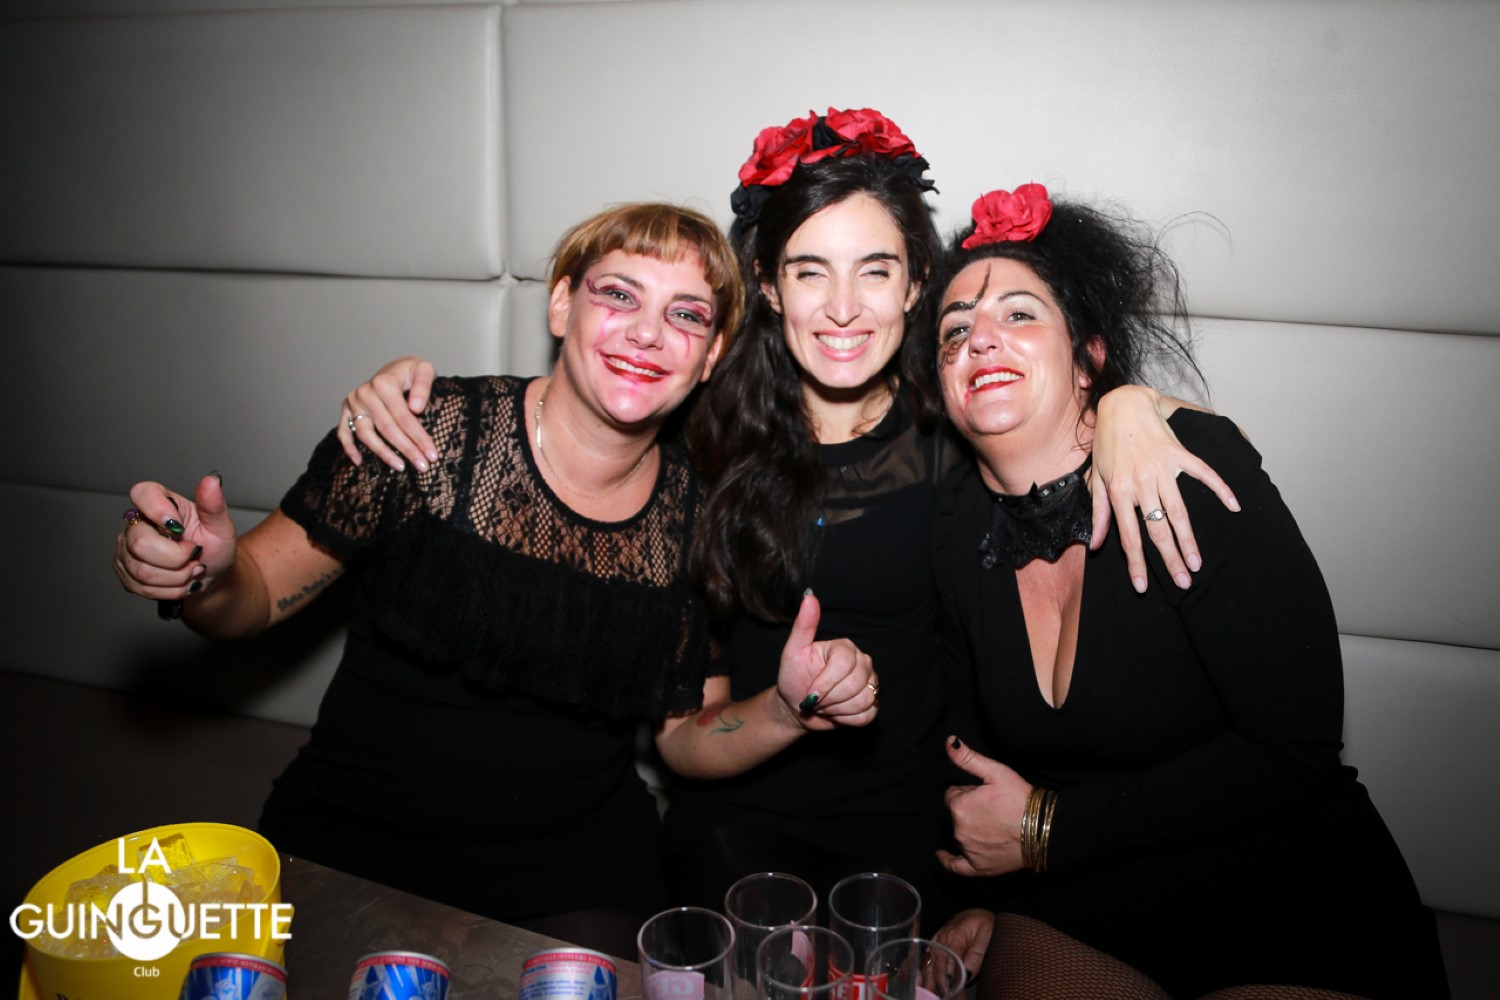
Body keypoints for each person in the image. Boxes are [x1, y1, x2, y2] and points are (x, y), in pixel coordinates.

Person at [340, 109, 1236, 925]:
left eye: (874, 270)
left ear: (917, 284)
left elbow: (1071, 402)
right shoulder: (697, 437)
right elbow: (675, 730)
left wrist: (1129, 405)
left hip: (913, 839)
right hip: (732, 822)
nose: (843, 308)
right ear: (767, 286)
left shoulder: (965, 435)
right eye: (810, 271)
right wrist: (411, 390)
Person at [111, 202, 881, 959]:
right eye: (619, 294)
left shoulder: (697, 514)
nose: (647, 332)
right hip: (358, 831)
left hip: (574, 865)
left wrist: (785, 710)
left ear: (709, 357)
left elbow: (683, 736)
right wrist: (201, 574)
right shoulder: (425, 432)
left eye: (686, 315)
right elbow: (248, 595)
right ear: (561, 305)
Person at [929, 183, 1449, 997]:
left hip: (1284, 897)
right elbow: (974, 761)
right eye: (954, 331)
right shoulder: (957, 525)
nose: (980, 339)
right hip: (1088, 899)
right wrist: (980, 892)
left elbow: (1294, 750)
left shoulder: (1187, 472)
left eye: (1019, 314)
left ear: (1089, 357)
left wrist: (1048, 828)